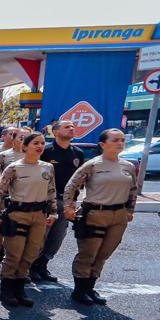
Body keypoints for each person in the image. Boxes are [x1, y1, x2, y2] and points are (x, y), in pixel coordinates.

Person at [63, 128, 138, 306]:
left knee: (104, 253)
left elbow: (133, 190)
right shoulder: (93, 165)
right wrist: (69, 207)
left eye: (121, 140)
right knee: (88, 253)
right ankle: (79, 291)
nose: (120, 143)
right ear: (103, 145)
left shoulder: (127, 166)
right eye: (115, 140)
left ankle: (90, 287)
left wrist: (129, 210)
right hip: (96, 213)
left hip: (118, 215)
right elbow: (71, 186)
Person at [0, 132, 57, 307]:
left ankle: (20, 288)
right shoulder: (14, 167)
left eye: (42, 143)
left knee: (31, 253)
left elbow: (51, 191)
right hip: (17, 214)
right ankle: (6, 290)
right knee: (14, 254)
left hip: (39, 215)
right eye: (35, 143)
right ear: (24, 146)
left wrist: (54, 212)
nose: (40, 146)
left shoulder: (47, 168)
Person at [32, 120, 85, 282]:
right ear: (55, 132)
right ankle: (31, 266)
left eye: (72, 127)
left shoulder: (78, 153)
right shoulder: (46, 151)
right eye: (67, 127)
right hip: (46, 200)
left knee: (57, 237)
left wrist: (74, 202)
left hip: (66, 201)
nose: (71, 129)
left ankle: (43, 265)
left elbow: (78, 181)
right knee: (40, 236)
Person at [0, 127, 29, 283]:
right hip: (4, 202)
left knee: (20, 239)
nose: (24, 140)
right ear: (13, 138)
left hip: (25, 205)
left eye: (27, 138)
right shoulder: (3, 156)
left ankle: (16, 271)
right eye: (21, 137)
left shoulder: (33, 158)